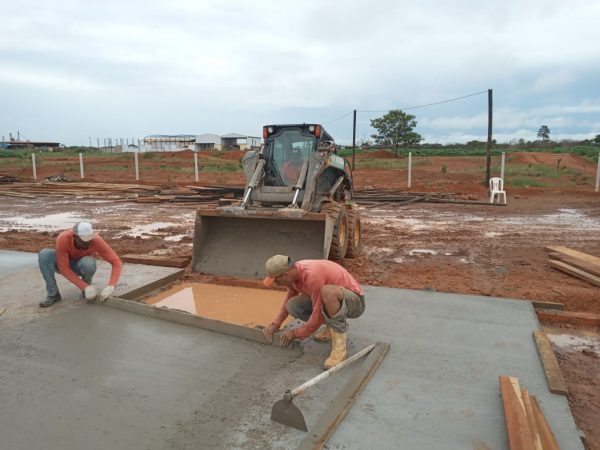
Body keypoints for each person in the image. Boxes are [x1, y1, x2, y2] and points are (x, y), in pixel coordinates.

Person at [261, 255, 366, 369]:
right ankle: (331, 327)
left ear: (285, 274)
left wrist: (296, 333)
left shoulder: (312, 275)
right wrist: (275, 324)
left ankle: (340, 351)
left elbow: (317, 312)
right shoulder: (294, 276)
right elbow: (289, 299)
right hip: (334, 301)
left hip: (355, 302)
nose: (276, 284)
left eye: (276, 280)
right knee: (292, 305)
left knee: (328, 292)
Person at [38, 221, 123, 307]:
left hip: (81, 265)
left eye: (89, 239)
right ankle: (53, 294)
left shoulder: (95, 240)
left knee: (89, 263)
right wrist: (84, 286)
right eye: (84, 240)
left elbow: (116, 262)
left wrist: (111, 285)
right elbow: (64, 268)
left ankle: (86, 290)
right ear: (75, 237)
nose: (87, 243)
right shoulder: (63, 238)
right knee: (45, 255)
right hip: (63, 263)